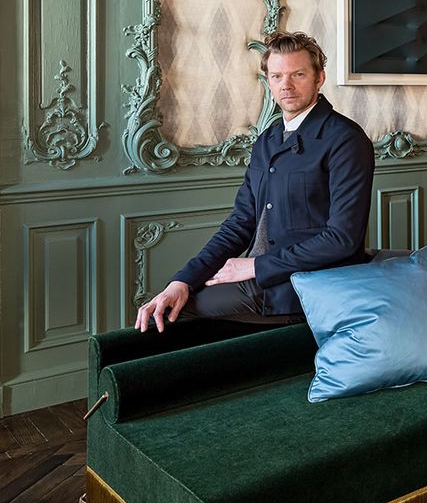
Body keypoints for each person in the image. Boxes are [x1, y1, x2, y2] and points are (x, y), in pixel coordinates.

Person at [134, 31, 375, 332]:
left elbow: (342, 239)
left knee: (173, 317)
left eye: (298, 74)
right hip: (263, 277)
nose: (286, 85)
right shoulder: (267, 140)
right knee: (172, 299)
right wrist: (182, 280)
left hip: (308, 285)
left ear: (319, 78)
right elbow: (240, 223)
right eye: (276, 76)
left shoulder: (346, 140)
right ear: (269, 81)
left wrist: (253, 266)